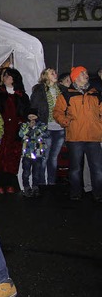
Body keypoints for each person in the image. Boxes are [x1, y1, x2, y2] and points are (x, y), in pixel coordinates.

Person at [53, 66, 102, 202]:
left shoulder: (95, 93)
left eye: (86, 72)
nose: (86, 74)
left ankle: (98, 194)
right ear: (75, 77)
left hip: (93, 136)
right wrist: (66, 121)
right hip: (75, 137)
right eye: (82, 73)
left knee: (97, 168)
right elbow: (57, 112)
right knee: (75, 168)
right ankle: (75, 193)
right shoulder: (67, 94)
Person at [0, 67, 29, 193]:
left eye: (8, 76)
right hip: (2, 130)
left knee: (13, 157)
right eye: (4, 76)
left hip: (16, 130)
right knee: (0, 157)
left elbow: (25, 112)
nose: (6, 78)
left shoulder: (21, 95)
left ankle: (10, 184)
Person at [30, 68, 64, 186]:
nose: (55, 74)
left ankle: (51, 182)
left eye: (55, 72)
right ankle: (41, 183)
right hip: (46, 127)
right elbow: (34, 106)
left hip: (60, 128)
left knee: (54, 157)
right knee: (44, 156)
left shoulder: (61, 89)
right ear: (45, 76)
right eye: (52, 73)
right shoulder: (39, 89)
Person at [18, 110, 48, 197]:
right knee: (26, 172)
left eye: (33, 117)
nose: (32, 119)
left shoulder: (42, 125)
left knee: (36, 172)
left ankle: (35, 187)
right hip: (27, 154)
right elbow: (21, 134)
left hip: (38, 153)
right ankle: (26, 187)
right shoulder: (24, 125)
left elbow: (45, 134)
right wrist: (29, 128)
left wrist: (36, 129)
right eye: (30, 117)